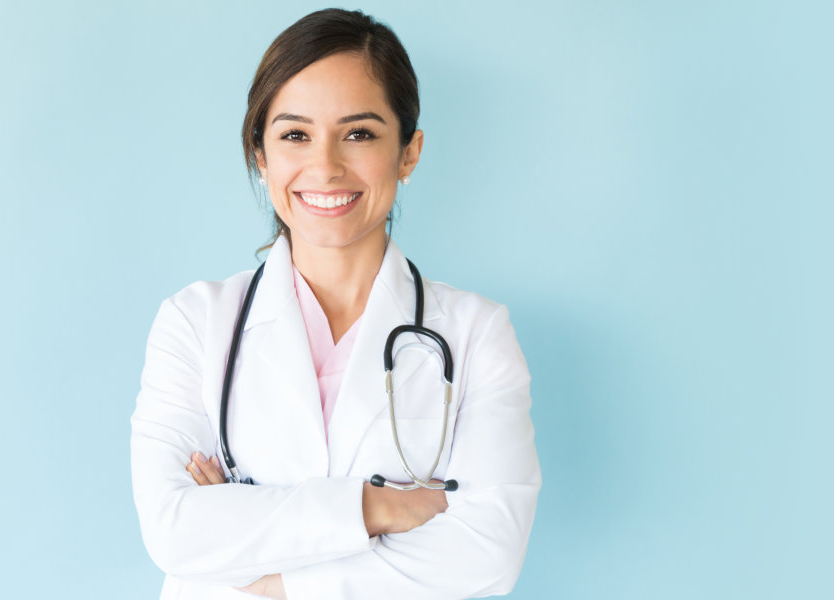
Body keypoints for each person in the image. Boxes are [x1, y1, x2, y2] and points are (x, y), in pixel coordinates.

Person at [129, 9, 539, 599]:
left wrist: (274, 579)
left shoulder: (476, 332)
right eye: (295, 134)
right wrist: (373, 508)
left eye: (360, 133)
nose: (325, 166)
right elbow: (173, 531)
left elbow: (489, 552)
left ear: (409, 152)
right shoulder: (194, 323)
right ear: (260, 154)